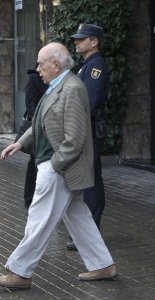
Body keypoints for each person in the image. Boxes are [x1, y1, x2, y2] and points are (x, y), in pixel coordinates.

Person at [0, 42, 117, 290]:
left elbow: (74, 139)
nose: (37, 69)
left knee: (39, 220)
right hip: (53, 165)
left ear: (56, 65)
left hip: (58, 168)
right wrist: (21, 143)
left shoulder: (72, 88)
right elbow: (42, 121)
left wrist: (53, 166)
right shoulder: (57, 86)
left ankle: (20, 272)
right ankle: (102, 265)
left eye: (41, 64)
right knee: (78, 216)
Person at [66, 23, 109, 251]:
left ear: (94, 42)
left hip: (90, 129)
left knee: (91, 181)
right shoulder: (87, 66)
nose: (76, 42)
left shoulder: (96, 67)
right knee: (88, 180)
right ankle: (87, 233)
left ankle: (91, 232)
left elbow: (88, 104)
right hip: (86, 128)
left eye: (81, 39)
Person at [15, 64, 48, 208]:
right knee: (34, 162)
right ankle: (29, 199)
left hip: (48, 128)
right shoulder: (34, 78)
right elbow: (29, 104)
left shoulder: (51, 80)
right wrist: (39, 123)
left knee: (39, 162)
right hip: (38, 128)